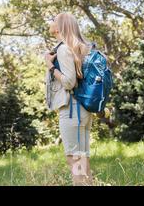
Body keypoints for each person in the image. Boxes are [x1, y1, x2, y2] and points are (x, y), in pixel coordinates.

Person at [44, 13, 93, 186]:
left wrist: (50, 66)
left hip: (72, 110)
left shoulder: (64, 49)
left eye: (54, 20)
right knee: (82, 160)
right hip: (82, 110)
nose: (51, 23)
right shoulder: (75, 47)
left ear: (59, 27)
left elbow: (69, 82)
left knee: (75, 160)